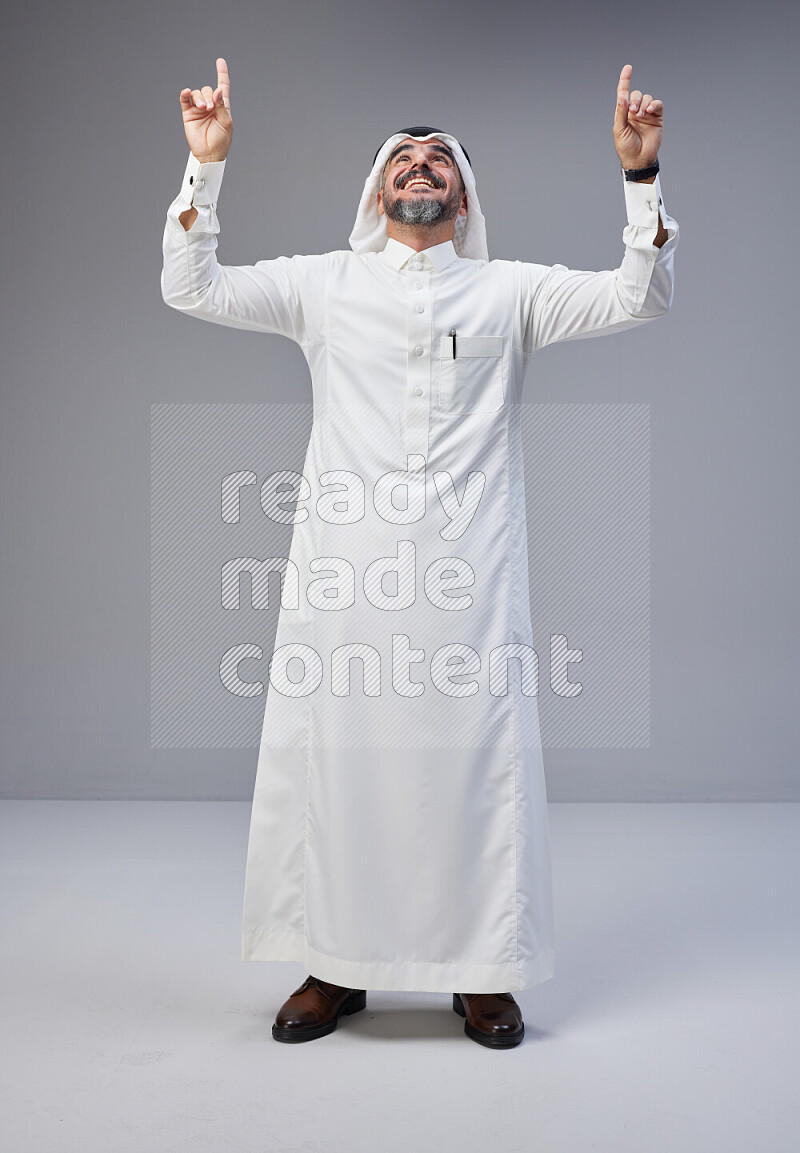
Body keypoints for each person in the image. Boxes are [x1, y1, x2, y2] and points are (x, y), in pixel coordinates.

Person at [161, 58, 678, 1050]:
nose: (421, 166)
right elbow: (190, 285)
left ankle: (481, 972)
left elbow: (637, 296)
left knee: (472, 768)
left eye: (439, 159)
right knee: (342, 767)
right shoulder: (323, 285)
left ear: (463, 198)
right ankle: (332, 964)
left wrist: (638, 180)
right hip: (343, 578)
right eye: (402, 157)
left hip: (469, 583)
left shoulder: (508, 293)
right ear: (375, 190)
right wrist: (206, 168)